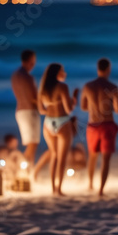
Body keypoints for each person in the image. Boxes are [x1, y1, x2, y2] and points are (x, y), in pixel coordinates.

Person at [80, 58, 118, 196]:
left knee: (92, 156)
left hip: (93, 125)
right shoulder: (113, 87)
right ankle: (101, 190)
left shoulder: (87, 86)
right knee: (106, 159)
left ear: (98, 69)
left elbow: (84, 107)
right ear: (108, 69)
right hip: (107, 125)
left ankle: (90, 184)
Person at [38, 63, 78, 196]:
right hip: (62, 122)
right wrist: (74, 100)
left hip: (48, 123)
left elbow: (41, 110)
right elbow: (69, 109)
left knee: (53, 155)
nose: (64, 73)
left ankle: (52, 188)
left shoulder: (42, 89)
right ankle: (59, 189)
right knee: (62, 157)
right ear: (57, 73)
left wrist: (52, 104)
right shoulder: (63, 86)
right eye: (62, 71)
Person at [11, 50, 39, 165]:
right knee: (33, 143)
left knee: (30, 143)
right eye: (34, 60)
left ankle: (24, 168)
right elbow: (33, 97)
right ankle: (24, 168)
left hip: (20, 111)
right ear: (30, 61)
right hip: (29, 111)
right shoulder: (27, 77)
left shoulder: (15, 75)